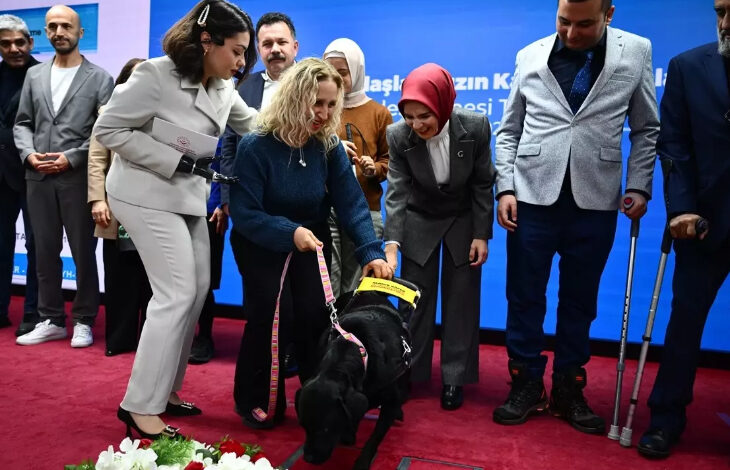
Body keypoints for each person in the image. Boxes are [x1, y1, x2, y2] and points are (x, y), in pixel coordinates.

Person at [92, 0, 258, 439]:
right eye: (237, 51)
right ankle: (139, 405)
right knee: (176, 293)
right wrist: (175, 160)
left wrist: (312, 126)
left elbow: (257, 124)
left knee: (197, 290)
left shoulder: (223, 85)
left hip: (187, 199)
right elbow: (108, 130)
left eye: (245, 53)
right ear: (207, 41)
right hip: (141, 194)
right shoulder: (153, 74)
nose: (242, 63)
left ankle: (166, 391)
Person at [493, 0, 659, 434]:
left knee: (579, 301)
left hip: (596, 199)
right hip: (530, 196)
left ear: (610, 13)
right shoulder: (529, 55)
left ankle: (570, 387)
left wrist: (639, 184)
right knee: (524, 296)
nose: (570, 32)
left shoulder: (636, 51)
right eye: (563, 21)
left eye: (584, 24)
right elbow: (508, 130)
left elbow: (646, 128)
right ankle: (526, 383)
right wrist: (505, 187)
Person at [229, 57, 393, 429]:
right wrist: (289, 232)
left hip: (310, 240)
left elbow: (352, 204)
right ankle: (255, 399)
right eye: (315, 103)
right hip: (262, 244)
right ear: (294, 97)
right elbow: (245, 212)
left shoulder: (328, 146)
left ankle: (316, 396)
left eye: (331, 104)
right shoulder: (255, 146)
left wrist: (371, 251)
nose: (323, 113)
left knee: (314, 319)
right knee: (273, 319)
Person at [637, 0, 730, 458]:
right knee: (684, 325)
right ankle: (665, 418)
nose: (726, 24)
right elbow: (673, 144)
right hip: (704, 224)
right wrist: (682, 208)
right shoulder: (688, 66)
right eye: (721, 12)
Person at [384, 63, 495, 411]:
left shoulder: (475, 127)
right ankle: (409, 373)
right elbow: (397, 193)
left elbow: (482, 183)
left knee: (461, 302)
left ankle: (454, 378)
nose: (417, 125)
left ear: (443, 104)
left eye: (424, 116)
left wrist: (481, 234)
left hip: (463, 220)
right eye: (409, 116)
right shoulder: (398, 136)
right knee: (413, 303)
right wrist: (391, 245)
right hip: (420, 219)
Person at [14, 5, 113, 348]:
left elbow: (105, 134)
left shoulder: (100, 78)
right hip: (37, 177)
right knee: (43, 250)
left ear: (80, 32)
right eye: (52, 26)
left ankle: (84, 318)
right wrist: (28, 154)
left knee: (84, 252)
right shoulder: (33, 76)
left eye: (66, 26)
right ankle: (51, 318)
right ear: (46, 31)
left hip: (77, 177)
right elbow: (22, 123)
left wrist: (71, 157)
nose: (59, 32)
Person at [220, 11, 300, 376]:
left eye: (281, 43)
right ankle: (261, 365)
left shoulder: (313, 83)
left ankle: (294, 358)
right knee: (259, 295)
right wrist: (226, 199)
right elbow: (228, 147)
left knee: (300, 297)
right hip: (252, 211)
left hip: (301, 212)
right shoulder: (243, 87)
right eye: (266, 44)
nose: (275, 50)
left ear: (295, 46)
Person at [87, 58, 151, 357]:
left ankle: (152, 343)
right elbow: (97, 161)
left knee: (152, 283)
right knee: (119, 278)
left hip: (153, 211)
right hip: (115, 210)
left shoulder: (162, 116)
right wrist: (98, 199)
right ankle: (120, 339)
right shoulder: (107, 114)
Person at [323, 38, 392, 297]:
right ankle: (327, 335)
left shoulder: (379, 113)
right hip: (326, 207)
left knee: (357, 284)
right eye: (330, 72)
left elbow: (390, 162)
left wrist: (374, 168)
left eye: (342, 72)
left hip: (366, 209)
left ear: (357, 71)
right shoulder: (323, 109)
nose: (336, 79)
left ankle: (352, 336)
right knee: (328, 277)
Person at [0, 14, 39, 336]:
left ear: (30, 42)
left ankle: (34, 313)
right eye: (5, 43)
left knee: (38, 247)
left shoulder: (42, 76)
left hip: (33, 173)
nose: (13, 48)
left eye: (19, 42)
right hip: (0, 177)